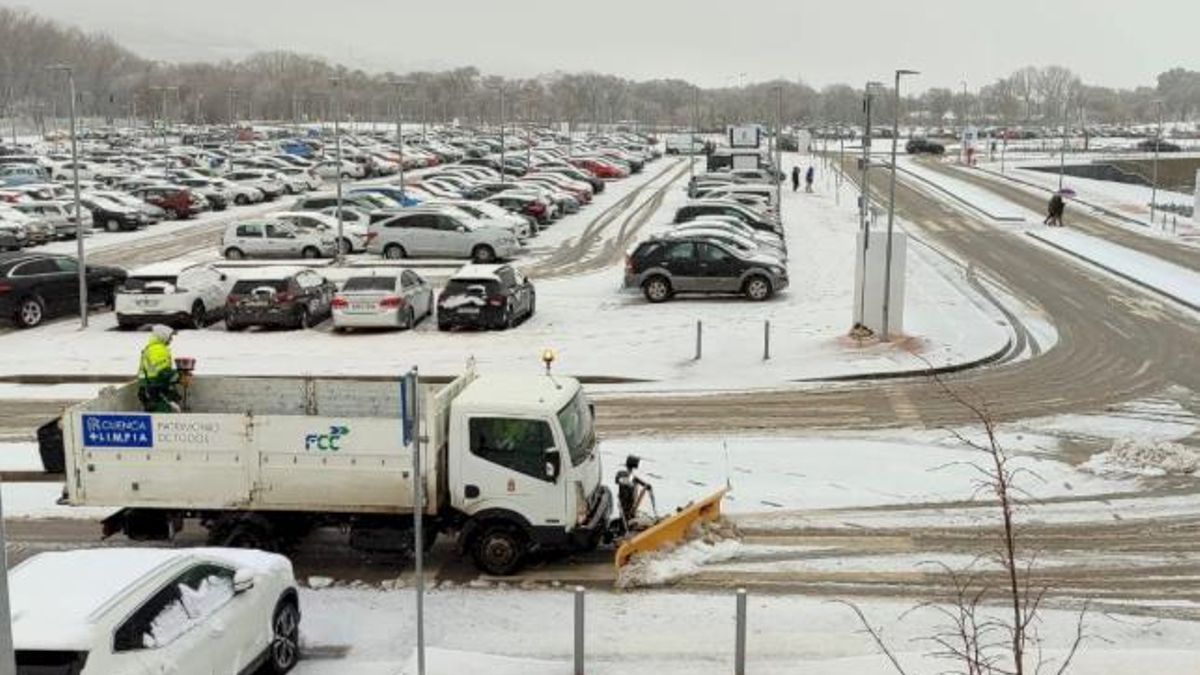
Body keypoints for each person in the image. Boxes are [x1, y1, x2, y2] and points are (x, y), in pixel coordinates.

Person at [137, 325, 181, 413]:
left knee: (155, 419)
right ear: (163, 335)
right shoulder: (157, 349)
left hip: (150, 390)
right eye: (170, 336)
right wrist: (181, 376)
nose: (171, 339)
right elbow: (163, 372)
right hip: (156, 391)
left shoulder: (152, 348)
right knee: (161, 420)